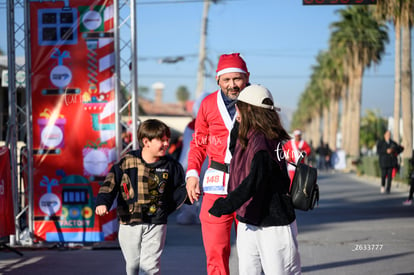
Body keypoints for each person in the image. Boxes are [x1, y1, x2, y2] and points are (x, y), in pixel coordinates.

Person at [209, 84, 301, 275]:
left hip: (273, 225)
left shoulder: (262, 142)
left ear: (249, 110)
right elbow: (234, 153)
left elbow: (253, 181)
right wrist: (238, 123)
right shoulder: (251, 136)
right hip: (249, 221)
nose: (236, 110)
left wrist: (226, 204)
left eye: (239, 106)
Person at [95, 119, 187, 275]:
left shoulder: (171, 165)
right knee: (133, 265)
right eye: (162, 140)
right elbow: (110, 183)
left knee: (150, 266)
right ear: (146, 142)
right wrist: (103, 202)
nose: (166, 144)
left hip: (156, 223)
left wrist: (179, 201)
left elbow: (181, 189)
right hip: (129, 222)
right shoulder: (127, 162)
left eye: (167, 140)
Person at [186, 53, 250, 275]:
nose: (232, 85)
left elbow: (274, 139)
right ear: (218, 80)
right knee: (215, 250)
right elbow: (198, 143)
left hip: (249, 183)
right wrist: (192, 174)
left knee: (252, 252)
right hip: (216, 184)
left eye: (237, 79)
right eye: (227, 80)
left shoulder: (257, 99)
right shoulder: (207, 104)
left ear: (247, 77)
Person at [376, 130, 403, 194]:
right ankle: (383, 186)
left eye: (389, 134)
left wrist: (393, 150)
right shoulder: (381, 143)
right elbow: (378, 151)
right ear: (384, 135)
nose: (388, 135)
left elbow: (398, 149)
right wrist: (386, 151)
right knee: (383, 175)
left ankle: (388, 188)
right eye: (387, 134)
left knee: (390, 176)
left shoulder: (393, 143)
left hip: (391, 162)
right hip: (383, 162)